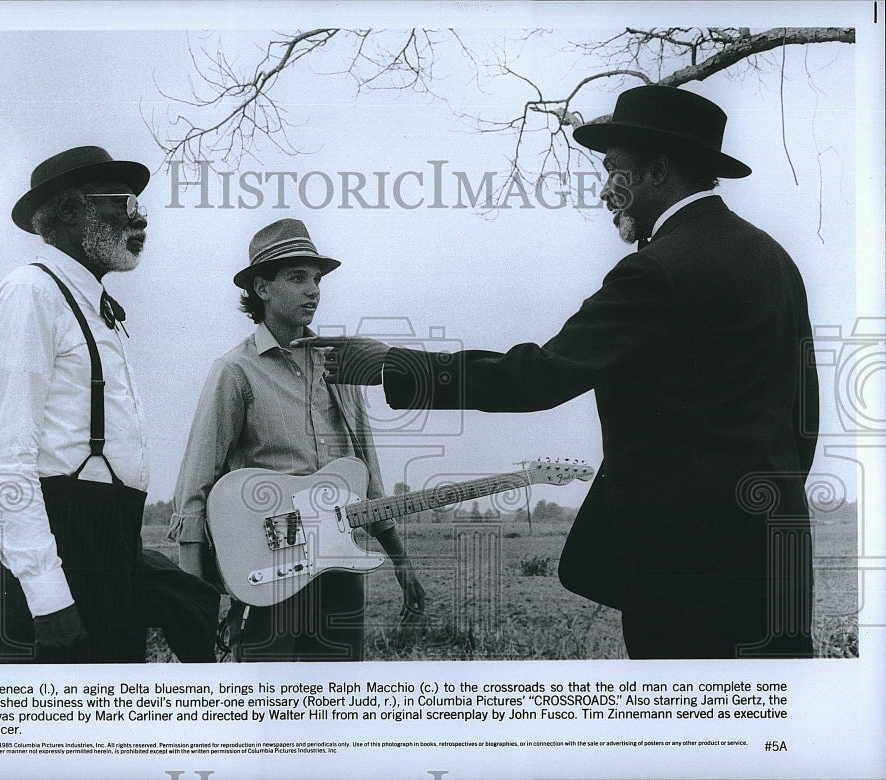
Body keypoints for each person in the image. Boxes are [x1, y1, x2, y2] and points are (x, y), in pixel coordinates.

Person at [297, 86, 819, 660]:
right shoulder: (775, 259)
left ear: (658, 170)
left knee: (686, 737)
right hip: (779, 555)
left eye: (613, 168)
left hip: (684, 572)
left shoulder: (656, 271)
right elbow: (805, 416)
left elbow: (538, 377)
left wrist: (395, 366)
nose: (604, 190)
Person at [0, 145, 218, 663]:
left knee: (113, 729)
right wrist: (47, 597)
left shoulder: (95, 306)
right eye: (126, 204)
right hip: (64, 549)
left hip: (111, 542)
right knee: (54, 731)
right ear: (71, 211)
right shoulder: (30, 293)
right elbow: (5, 460)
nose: (141, 219)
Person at [170, 218, 425, 662]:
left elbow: (370, 480)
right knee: (266, 715)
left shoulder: (338, 368)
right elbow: (194, 489)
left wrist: (402, 565)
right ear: (262, 289)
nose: (313, 290)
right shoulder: (236, 371)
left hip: (339, 568)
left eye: (316, 279)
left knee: (337, 710)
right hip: (266, 571)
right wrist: (195, 597)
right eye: (297, 278)